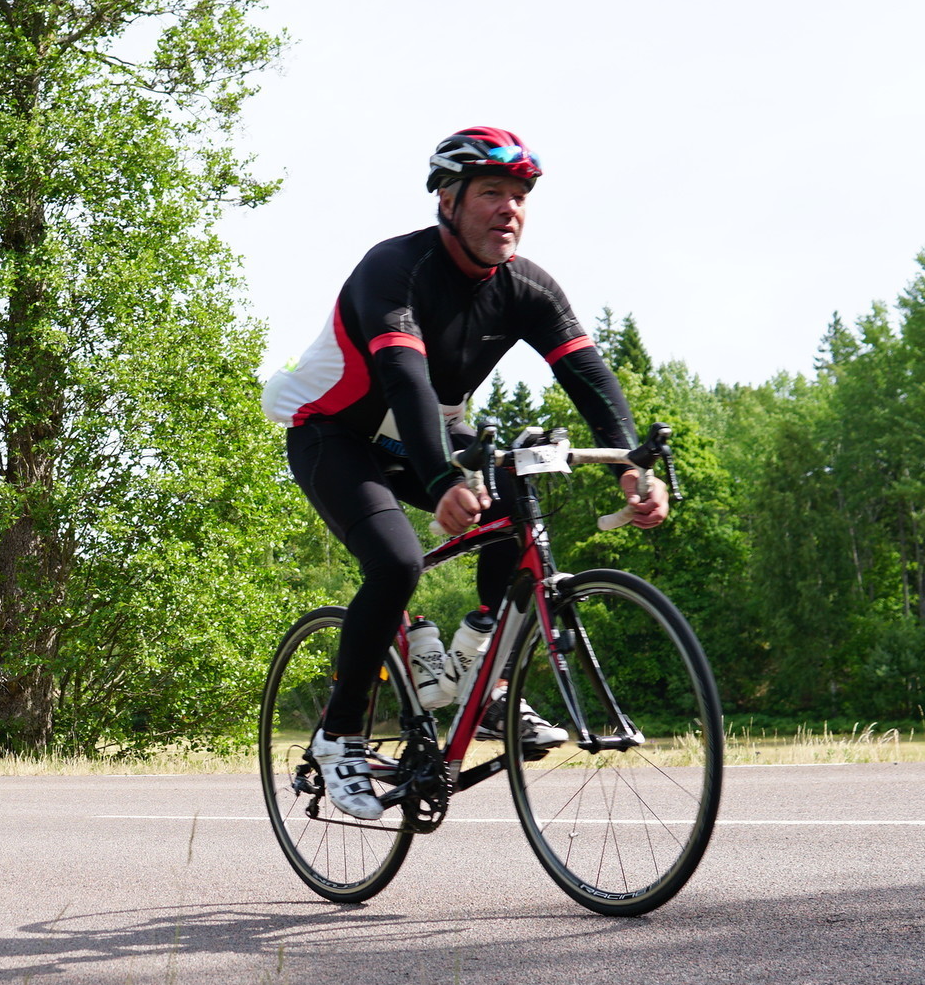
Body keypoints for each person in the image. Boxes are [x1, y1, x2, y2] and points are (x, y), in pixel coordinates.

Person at [261, 127, 668, 820]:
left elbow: (588, 376)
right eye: (491, 193)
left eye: (519, 197)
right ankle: (339, 734)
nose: (509, 209)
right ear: (447, 200)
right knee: (395, 564)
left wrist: (630, 464)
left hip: (424, 429)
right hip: (336, 431)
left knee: (517, 506)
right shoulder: (395, 268)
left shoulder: (527, 287)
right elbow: (405, 377)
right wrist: (443, 479)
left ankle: (487, 676)